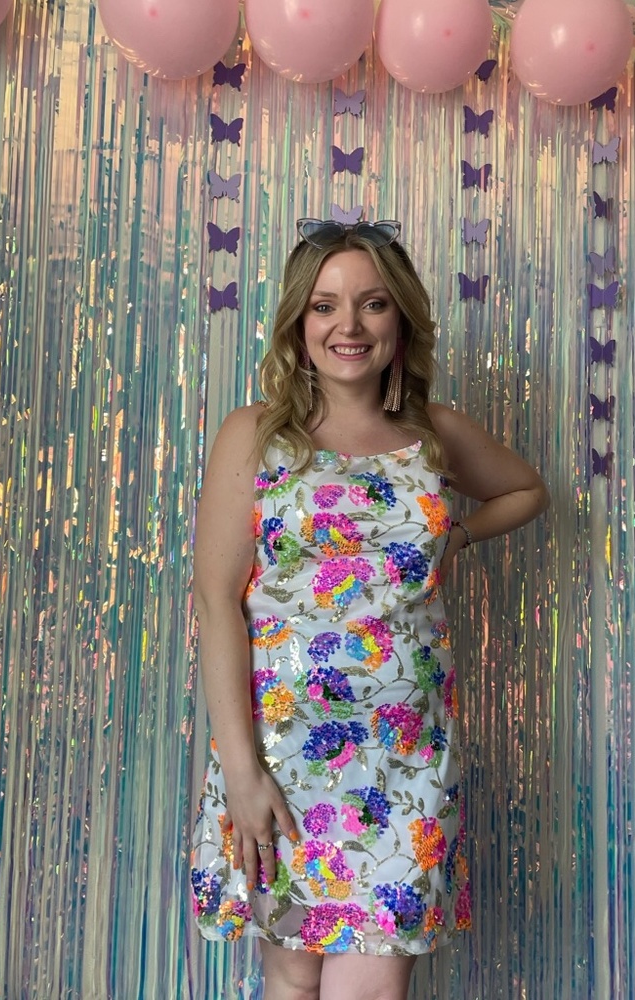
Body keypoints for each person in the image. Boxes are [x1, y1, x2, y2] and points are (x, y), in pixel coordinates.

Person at [189, 219, 548, 1000]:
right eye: (324, 305)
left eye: (373, 304)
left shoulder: (433, 438)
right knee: (292, 980)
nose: (347, 325)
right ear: (298, 322)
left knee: (372, 990)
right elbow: (218, 603)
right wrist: (242, 770)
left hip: (406, 760)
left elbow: (527, 490)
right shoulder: (254, 436)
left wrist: (457, 534)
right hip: (282, 756)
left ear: (401, 320)